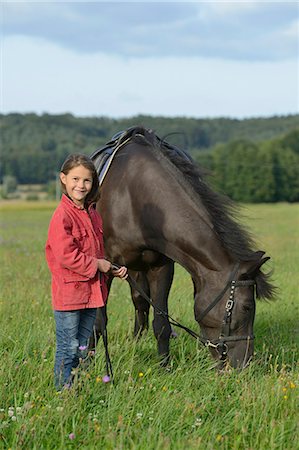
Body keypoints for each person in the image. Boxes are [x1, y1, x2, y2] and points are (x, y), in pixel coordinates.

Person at [45, 153, 127, 390]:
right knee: (68, 347)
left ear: (93, 183)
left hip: (92, 293)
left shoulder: (93, 214)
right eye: (75, 179)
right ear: (64, 179)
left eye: (87, 181)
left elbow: (96, 253)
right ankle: (63, 391)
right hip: (70, 295)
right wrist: (97, 265)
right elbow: (67, 255)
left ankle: (78, 386)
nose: (80, 185)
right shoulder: (62, 216)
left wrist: (110, 268)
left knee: (83, 346)